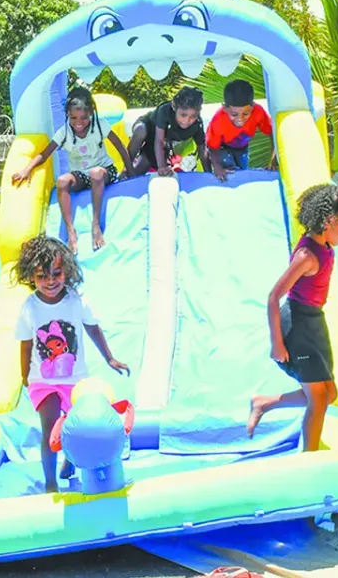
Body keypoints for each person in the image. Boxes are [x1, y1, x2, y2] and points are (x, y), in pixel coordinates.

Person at [247, 179, 338, 452]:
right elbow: (274, 297)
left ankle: (264, 402)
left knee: (329, 393)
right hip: (297, 325)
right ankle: (309, 457)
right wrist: (277, 342)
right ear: (329, 220)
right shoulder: (307, 255)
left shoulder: (324, 245)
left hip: (314, 322)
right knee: (319, 399)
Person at [13, 235, 129, 492]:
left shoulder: (76, 300)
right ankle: (51, 481)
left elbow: (92, 327)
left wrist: (109, 357)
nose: (51, 281)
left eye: (56, 274)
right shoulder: (30, 307)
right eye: (42, 276)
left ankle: (69, 459)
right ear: (31, 276)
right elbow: (25, 344)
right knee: (49, 427)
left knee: (72, 422)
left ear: (67, 270)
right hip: (42, 381)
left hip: (75, 380)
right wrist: (24, 376)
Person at [12, 87, 136, 254]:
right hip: (82, 176)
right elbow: (45, 153)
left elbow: (120, 147)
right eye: (74, 118)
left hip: (104, 171)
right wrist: (27, 169)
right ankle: (71, 231)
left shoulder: (100, 125)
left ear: (91, 113)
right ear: (68, 116)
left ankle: (96, 225)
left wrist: (130, 173)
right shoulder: (64, 133)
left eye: (84, 118)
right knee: (63, 181)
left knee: (95, 173)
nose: (79, 123)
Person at [128, 86, 212, 177]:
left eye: (193, 116)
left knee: (140, 169)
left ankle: (127, 178)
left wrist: (209, 174)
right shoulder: (164, 111)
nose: (187, 120)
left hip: (162, 141)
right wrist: (162, 166)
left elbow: (202, 150)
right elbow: (159, 141)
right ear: (174, 106)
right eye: (183, 115)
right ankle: (126, 167)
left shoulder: (197, 124)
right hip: (150, 129)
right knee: (140, 130)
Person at [205, 79, 276, 178]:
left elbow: (274, 134)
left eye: (246, 113)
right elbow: (212, 148)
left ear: (252, 107)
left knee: (242, 173)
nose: (240, 119)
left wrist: (274, 160)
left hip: (241, 148)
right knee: (231, 172)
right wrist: (217, 167)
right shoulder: (218, 120)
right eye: (234, 114)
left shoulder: (258, 112)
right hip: (221, 148)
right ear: (225, 109)